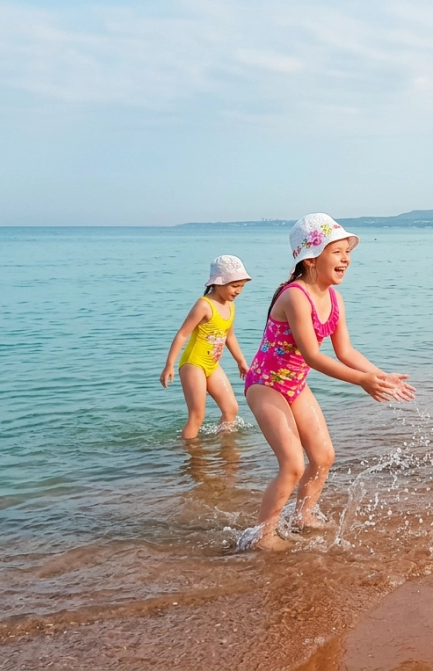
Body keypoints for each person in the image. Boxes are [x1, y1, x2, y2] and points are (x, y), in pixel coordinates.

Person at [244, 214, 415, 549]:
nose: (346, 258)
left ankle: (302, 516)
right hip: (265, 383)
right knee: (293, 464)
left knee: (323, 457)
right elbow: (313, 356)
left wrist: (380, 375)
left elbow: (345, 350)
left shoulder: (334, 299)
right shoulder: (295, 296)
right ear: (310, 259)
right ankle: (261, 536)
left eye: (346, 252)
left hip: (294, 385)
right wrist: (362, 381)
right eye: (336, 252)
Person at [160, 255, 251, 439]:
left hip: (212, 365)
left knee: (231, 409)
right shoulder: (204, 305)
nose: (238, 291)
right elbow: (183, 334)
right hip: (194, 364)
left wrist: (241, 361)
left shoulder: (230, 306)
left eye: (241, 286)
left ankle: (226, 446)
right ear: (218, 283)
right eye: (234, 286)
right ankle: (192, 456)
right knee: (197, 416)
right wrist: (169, 364)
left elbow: (229, 336)